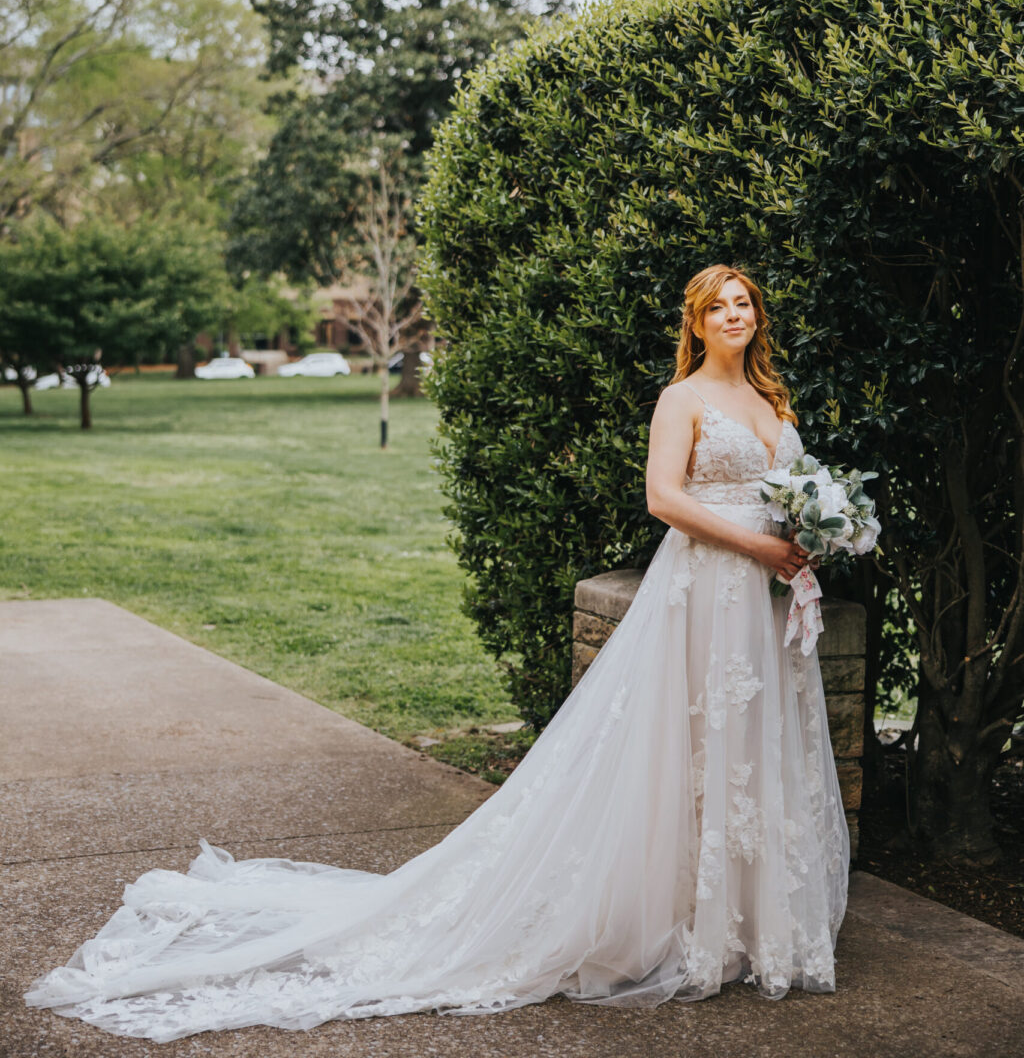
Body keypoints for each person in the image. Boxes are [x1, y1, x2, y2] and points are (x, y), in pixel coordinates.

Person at [25, 263, 850, 1041]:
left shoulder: (777, 403)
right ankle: (675, 924)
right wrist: (756, 547)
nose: (734, 317)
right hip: (706, 588)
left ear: (757, 317)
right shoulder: (683, 397)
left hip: (765, 600)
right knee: (686, 744)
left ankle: (744, 927)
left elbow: (793, 492)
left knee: (747, 750)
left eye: (744, 304)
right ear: (697, 322)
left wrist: (809, 537)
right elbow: (662, 498)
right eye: (719, 306)